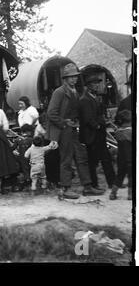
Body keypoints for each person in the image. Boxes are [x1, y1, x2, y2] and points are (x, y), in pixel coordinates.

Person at [46, 63, 104, 199]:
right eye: (71, 77)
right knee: (66, 159)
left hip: (73, 129)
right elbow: (51, 113)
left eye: (75, 77)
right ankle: (65, 189)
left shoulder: (75, 92)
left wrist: (76, 121)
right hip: (64, 130)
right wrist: (64, 123)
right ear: (65, 79)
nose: (74, 79)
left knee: (81, 157)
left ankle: (87, 187)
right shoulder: (59, 92)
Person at [79, 74, 116, 189]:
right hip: (92, 135)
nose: (96, 85)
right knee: (92, 162)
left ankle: (112, 182)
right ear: (88, 86)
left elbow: (99, 115)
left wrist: (105, 123)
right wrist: (98, 126)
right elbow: (88, 118)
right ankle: (94, 185)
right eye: (94, 83)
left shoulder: (95, 97)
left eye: (97, 83)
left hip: (99, 134)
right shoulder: (84, 99)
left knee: (106, 158)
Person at [109, 110, 133, 200]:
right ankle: (130, 194)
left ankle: (113, 193)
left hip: (120, 159)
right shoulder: (131, 132)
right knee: (131, 177)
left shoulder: (118, 132)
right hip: (130, 158)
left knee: (119, 176)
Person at [13, 124, 35, 190]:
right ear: (29, 131)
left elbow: (13, 148)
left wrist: (14, 151)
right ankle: (30, 183)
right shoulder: (32, 139)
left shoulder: (18, 139)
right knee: (30, 169)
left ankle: (25, 182)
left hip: (21, 158)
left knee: (24, 170)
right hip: (31, 157)